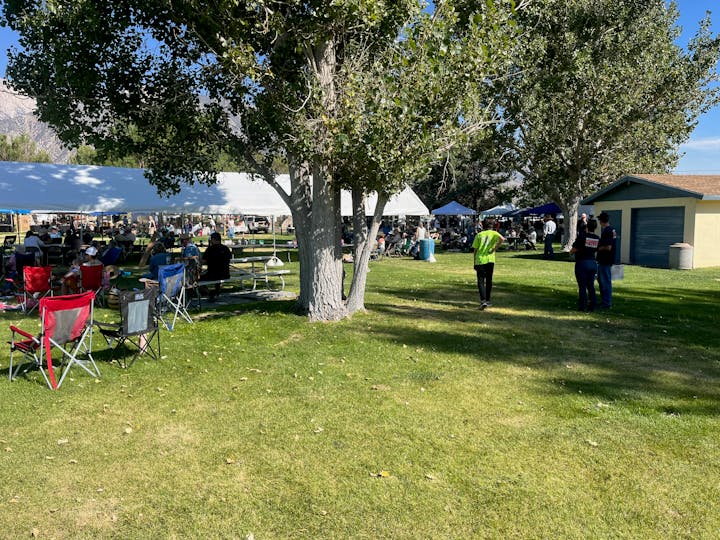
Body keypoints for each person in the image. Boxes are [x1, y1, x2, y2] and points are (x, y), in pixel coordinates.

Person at [472, 218, 505, 310]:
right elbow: (502, 239)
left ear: (482, 225)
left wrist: (474, 261)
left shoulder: (479, 235)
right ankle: (488, 300)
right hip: (490, 260)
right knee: (489, 280)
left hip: (480, 260)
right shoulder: (494, 233)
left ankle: (483, 301)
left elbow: (475, 249)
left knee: (481, 281)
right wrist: (494, 249)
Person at [570, 218, 599, 312]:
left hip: (582, 262)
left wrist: (571, 253)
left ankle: (582, 306)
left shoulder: (582, 236)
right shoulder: (597, 238)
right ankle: (593, 305)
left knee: (582, 285)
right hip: (593, 262)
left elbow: (574, 249)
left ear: (587, 226)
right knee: (590, 285)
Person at [201, 232, 232, 301]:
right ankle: (216, 291)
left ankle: (209, 293)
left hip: (213, 275)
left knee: (197, 279)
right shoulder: (226, 248)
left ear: (213, 240)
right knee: (218, 274)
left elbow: (203, 261)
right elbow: (229, 258)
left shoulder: (210, 249)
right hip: (225, 274)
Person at [596, 212, 617, 309]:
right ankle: (604, 301)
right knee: (602, 280)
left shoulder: (607, 231)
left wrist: (598, 248)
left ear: (602, 221)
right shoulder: (611, 230)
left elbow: (608, 247)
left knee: (605, 282)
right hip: (607, 259)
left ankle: (607, 303)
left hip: (605, 259)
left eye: (600, 220)